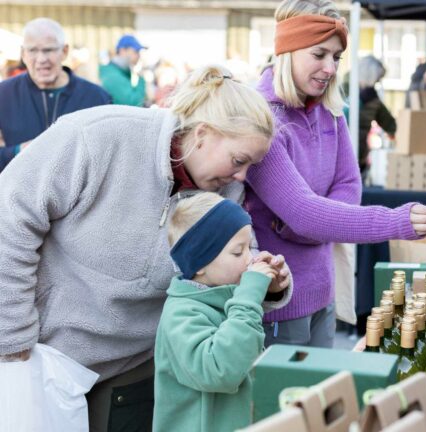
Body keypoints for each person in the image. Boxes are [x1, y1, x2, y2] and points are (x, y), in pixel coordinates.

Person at [0, 64, 292, 431]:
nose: (243, 176)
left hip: (133, 369)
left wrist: (268, 281)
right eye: (239, 160)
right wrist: (12, 337)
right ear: (202, 134)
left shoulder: (225, 188)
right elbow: (9, 217)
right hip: (44, 355)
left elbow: (232, 256)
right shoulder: (97, 136)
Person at [246, 0, 426, 349]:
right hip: (276, 301)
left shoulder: (330, 110)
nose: (330, 68)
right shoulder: (260, 119)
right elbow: (304, 213)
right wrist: (396, 221)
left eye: (337, 57)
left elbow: (349, 185)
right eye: (319, 54)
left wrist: (312, 227)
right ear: (287, 50)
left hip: (323, 291)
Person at [154, 192, 280, 431]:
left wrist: (271, 289)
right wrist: (249, 296)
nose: (250, 259)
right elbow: (221, 371)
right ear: (200, 262)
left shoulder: (224, 296)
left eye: (249, 247)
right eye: (238, 252)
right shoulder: (180, 315)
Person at [0, 18, 111, 172]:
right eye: (32, 50)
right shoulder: (4, 94)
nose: (41, 59)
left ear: (64, 51)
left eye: (49, 50)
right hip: (20, 186)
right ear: (23, 54)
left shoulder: (96, 98)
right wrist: (17, 151)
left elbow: (109, 156)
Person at [355, 55, 396, 174]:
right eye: (378, 79)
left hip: (360, 155)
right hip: (341, 153)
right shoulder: (343, 90)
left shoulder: (373, 99)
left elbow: (391, 125)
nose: (377, 82)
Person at [99, 34, 147, 106]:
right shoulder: (113, 76)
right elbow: (134, 104)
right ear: (122, 51)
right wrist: (141, 78)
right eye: (136, 51)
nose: (139, 56)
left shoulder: (119, 72)